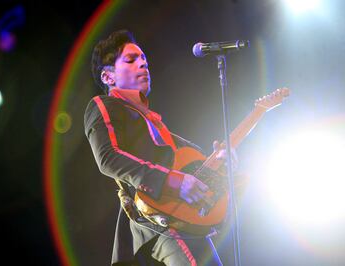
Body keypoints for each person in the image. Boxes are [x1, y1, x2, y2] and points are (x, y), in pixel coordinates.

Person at [84, 29, 237, 266]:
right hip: (156, 224)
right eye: (131, 60)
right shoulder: (103, 105)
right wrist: (174, 181)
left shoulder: (154, 124)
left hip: (179, 219)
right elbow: (108, 157)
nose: (143, 64)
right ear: (108, 77)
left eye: (144, 59)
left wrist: (221, 159)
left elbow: (196, 162)